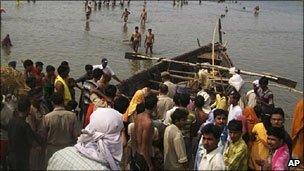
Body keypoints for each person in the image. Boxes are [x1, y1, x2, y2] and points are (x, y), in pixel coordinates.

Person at [47, 96, 128, 170]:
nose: (124, 141)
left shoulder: (59, 154)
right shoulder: (102, 169)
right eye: (121, 133)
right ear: (112, 139)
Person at [42, 93, 80, 164]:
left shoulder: (47, 117)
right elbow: (76, 135)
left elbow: (44, 136)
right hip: (68, 149)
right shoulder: (72, 116)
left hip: (52, 150)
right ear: (63, 102)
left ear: (52, 103)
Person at [7, 97, 44, 170]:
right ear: (28, 109)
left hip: (11, 157)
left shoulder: (12, 121)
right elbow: (33, 143)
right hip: (22, 160)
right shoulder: (25, 125)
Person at [132, 93, 158, 170]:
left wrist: (134, 154)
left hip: (137, 153)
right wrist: (150, 165)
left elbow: (134, 138)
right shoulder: (148, 123)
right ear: (154, 106)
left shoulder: (138, 116)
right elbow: (144, 147)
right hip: (144, 158)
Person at [291, 99, 304, 169]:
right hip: (299, 137)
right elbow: (299, 124)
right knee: (296, 161)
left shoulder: (300, 102)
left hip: (297, 134)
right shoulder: (302, 104)